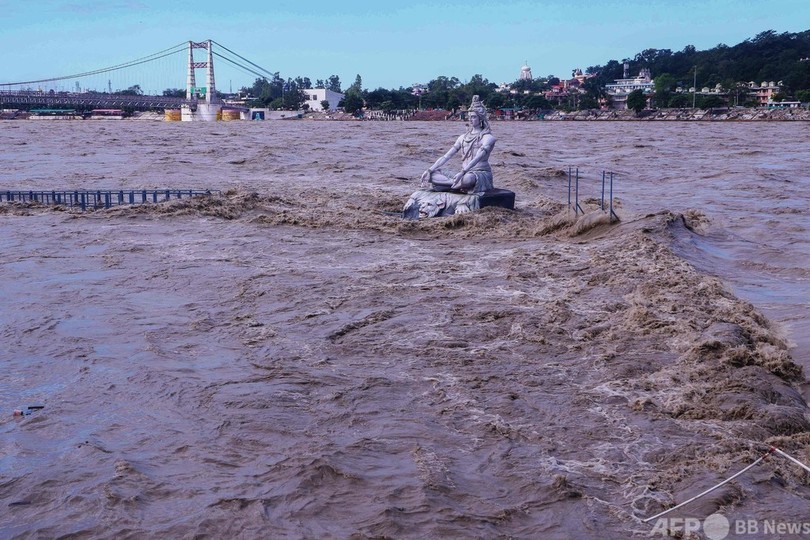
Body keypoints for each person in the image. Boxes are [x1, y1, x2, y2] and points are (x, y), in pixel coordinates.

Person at [420, 95, 496, 193]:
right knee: (432, 175)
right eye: (469, 117)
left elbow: (478, 157)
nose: (470, 120)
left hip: (478, 173)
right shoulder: (462, 137)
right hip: (463, 172)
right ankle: (455, 184)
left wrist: (463, 172)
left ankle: (451, 184)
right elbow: (446, 156)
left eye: (473, 117)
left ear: (480, 118)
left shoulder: (488, 138)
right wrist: (429, 170)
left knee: (467, 179)